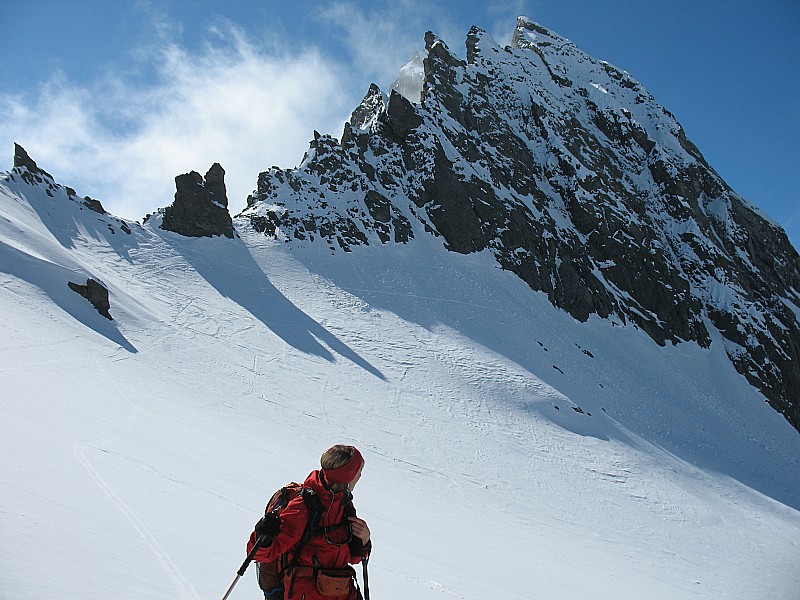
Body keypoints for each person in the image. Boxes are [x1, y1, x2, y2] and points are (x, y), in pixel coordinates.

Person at [247, 444, 371, 600]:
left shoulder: (344, 505)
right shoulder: (305, 505)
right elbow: (260, 553)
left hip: (341, 591)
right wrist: (263, 534)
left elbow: (354, 558)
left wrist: (364, 540)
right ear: (348, 476)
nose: (359, 476)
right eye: (359, 471)